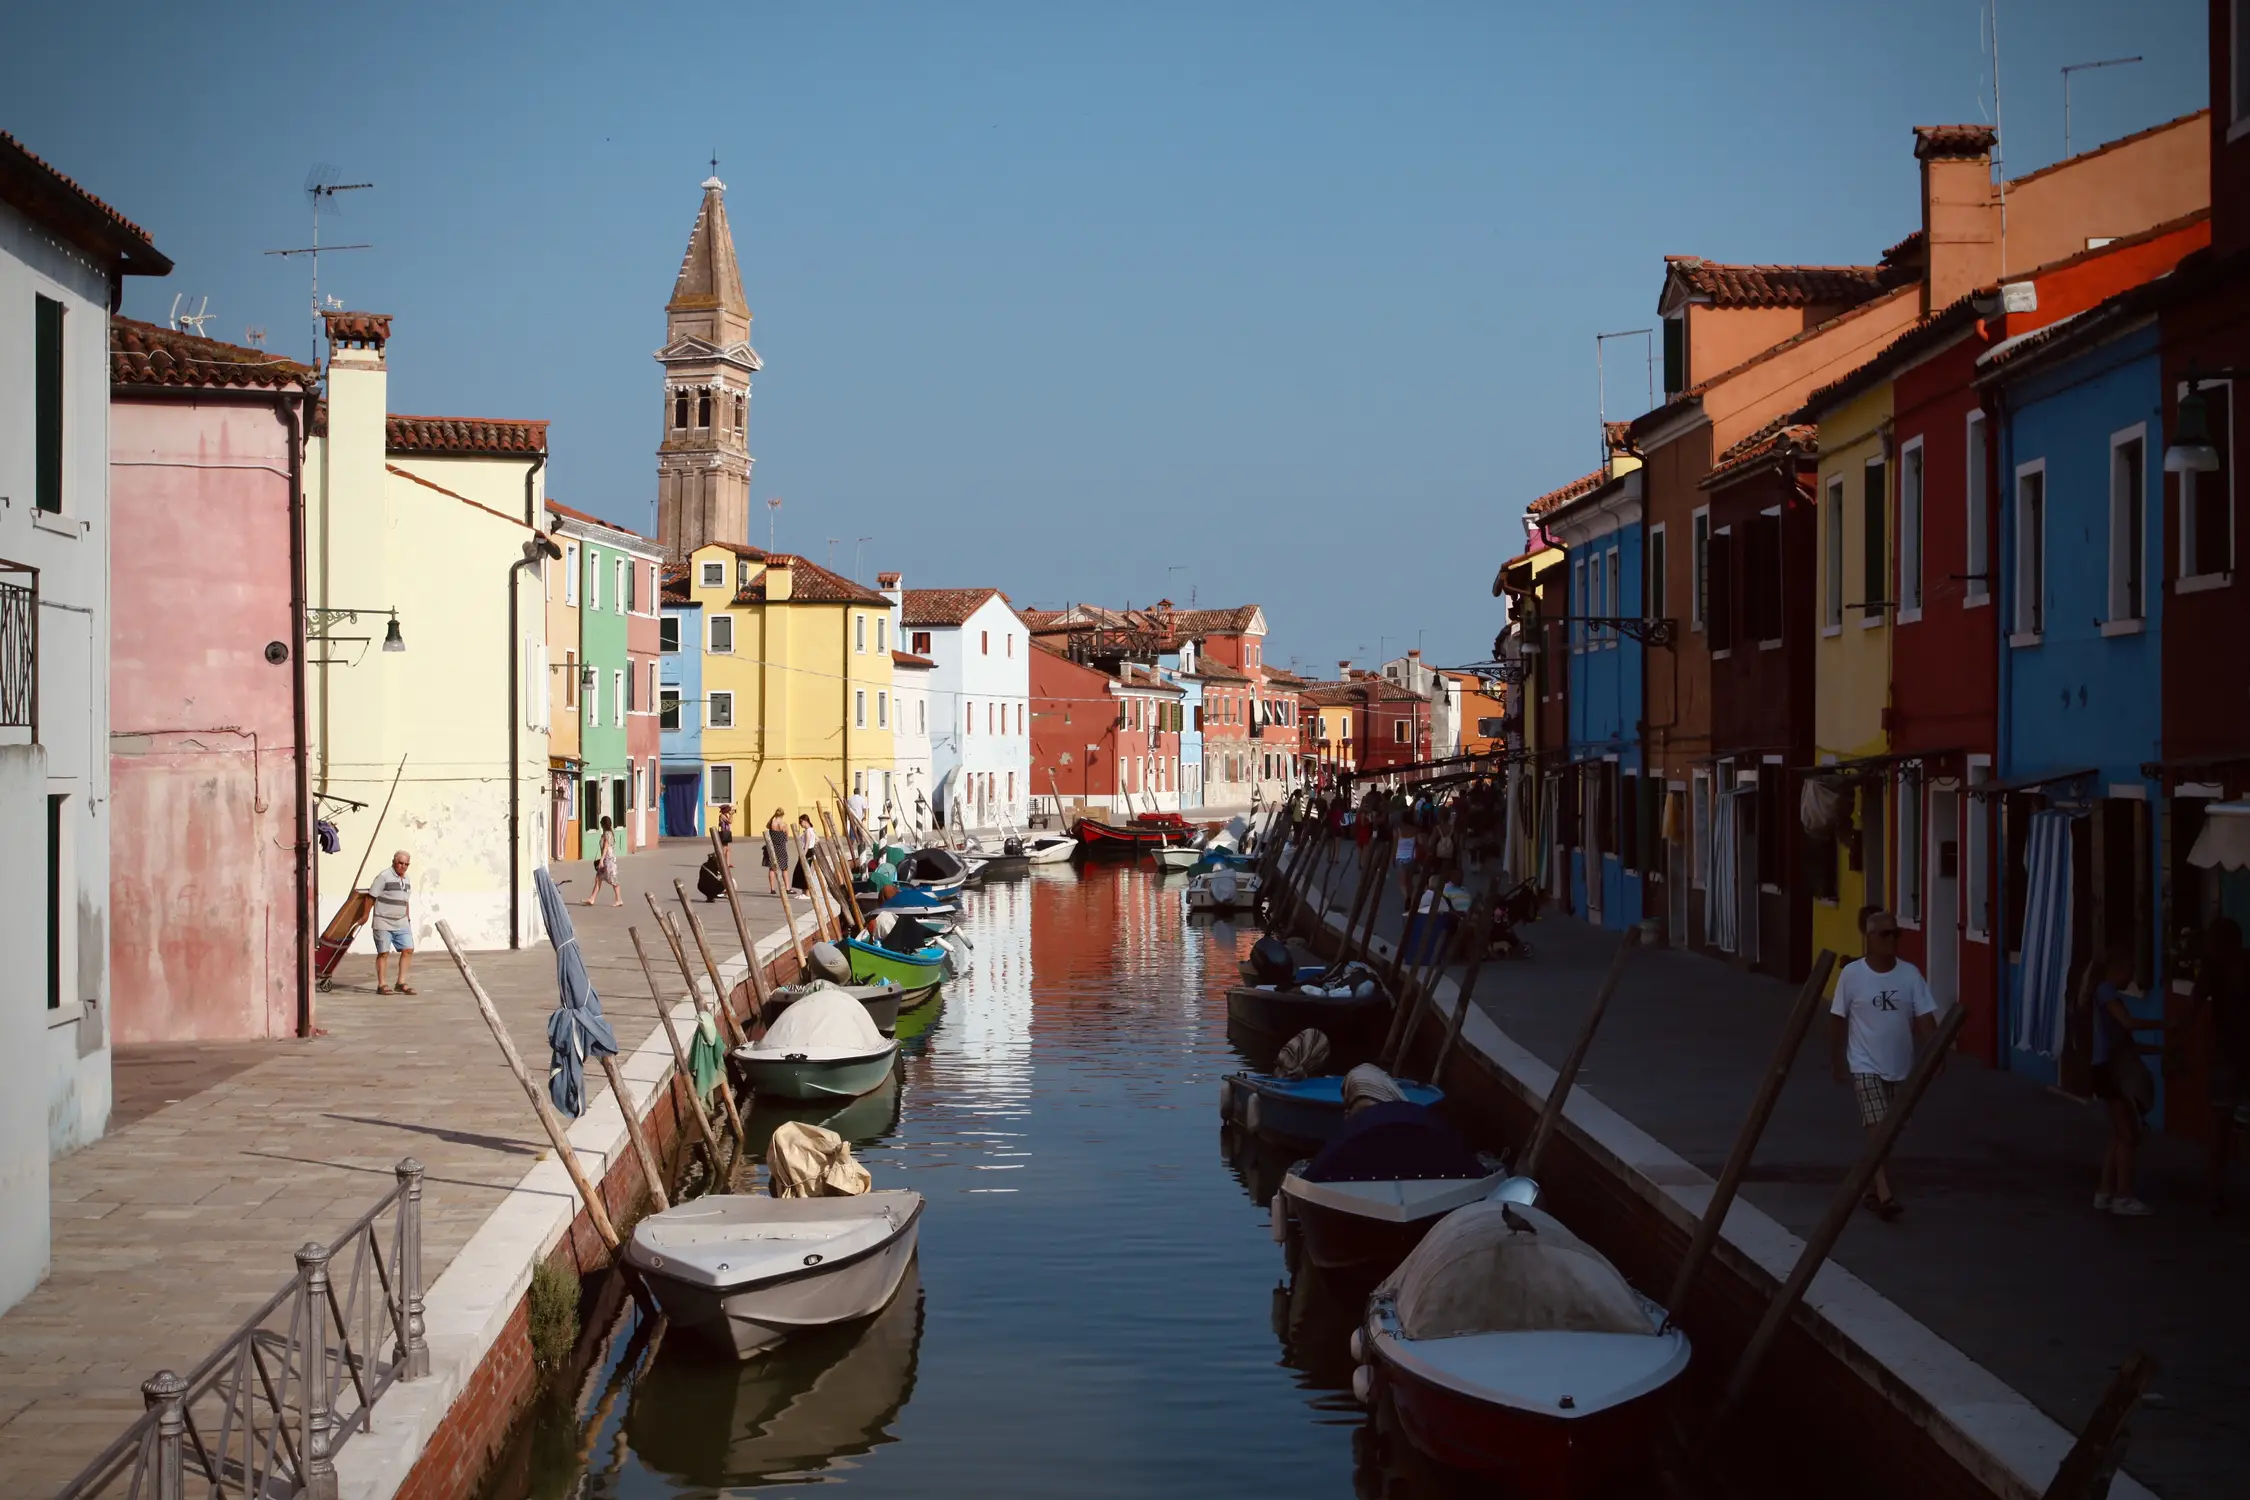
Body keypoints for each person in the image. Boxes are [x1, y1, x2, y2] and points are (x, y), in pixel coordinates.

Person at [1829, 909, 1938, 1220]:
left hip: (1900, 1066)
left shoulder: (1909, 975)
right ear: (1869, 938)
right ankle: (1885, 1193)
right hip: (1864, 1063)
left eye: (1896, 934)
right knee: (1877, 1127)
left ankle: (1870, 1186)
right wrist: (1837, 1061)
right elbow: (1837, 1019)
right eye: (1884, 934)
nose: (1891, 940)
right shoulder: (1852, 975)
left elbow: (1926, 1018)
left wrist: (1936, 1053)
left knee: (1887, 1133)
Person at [2177, 917, 2250, 1215]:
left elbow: (2193, 1006)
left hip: (2232, 1055)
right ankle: (2215, 1190)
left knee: (2225, 1123)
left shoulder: (2221, 967)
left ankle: (2216, 1191)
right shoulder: (2215, 969)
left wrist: (2177, 1036)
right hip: (2228, 1054)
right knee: (2224, 1122)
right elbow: (2193, 1004)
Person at [2085, 945, 2161, 1216]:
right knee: (2129, 1135)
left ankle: (2105, 1192)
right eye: (2130, 969)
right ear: (2116, 969)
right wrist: (2162, 1024)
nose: (2132, 976)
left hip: (2106, 1069)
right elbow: (2129, 1024)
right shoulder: (2106, 993)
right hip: (2109, 1071)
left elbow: (2127, 1043)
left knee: (2120, 1134)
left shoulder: (2104, 996)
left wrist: (2162, 1049)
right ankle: (2124, 1195)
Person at [368, 850, 416, 995]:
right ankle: (382, 984)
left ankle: (401, 982)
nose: (403, 866)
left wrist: (407, 916)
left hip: (401, 921)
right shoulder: (384, 876)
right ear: (394, 862)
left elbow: (405, 900)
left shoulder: (407, 879)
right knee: (383, 952)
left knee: (408, 949)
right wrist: (365, 916)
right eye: (400, 863)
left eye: (406, 864)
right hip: (383, 920)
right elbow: (371, 897)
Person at [585, 816, 623, 906]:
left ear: (603, 824)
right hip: (608, 860)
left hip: (608, 861)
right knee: (598, 878)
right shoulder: (609, 833)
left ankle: (619, 899)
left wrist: (601, 860)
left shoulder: (607, 834)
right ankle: (592, 898)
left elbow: (606, 847)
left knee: (613, 880)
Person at [764, 808, 792, 897]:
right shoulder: (783, 825)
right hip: (781, 847)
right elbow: (786, 836)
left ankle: (772, 888)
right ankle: (787, 888)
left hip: (772, 847)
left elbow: (767, 828)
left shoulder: (771, 823)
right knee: (784, 868)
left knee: (772, 868)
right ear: (783, 815)